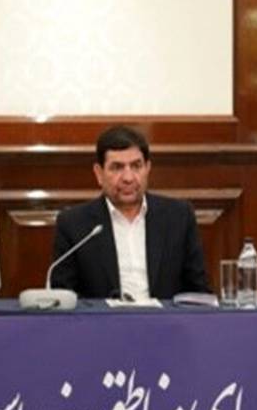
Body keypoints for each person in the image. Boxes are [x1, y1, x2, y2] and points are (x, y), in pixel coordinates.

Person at [50, 125, 209, 300]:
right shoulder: (74, 224)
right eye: (117, 167)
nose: (128, 178)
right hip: (104, 318)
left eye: (136, 166)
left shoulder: (179, 217)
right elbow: (64, 298)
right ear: (99, 173)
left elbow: (199, 292)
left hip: (164, 317)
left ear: (147, 168)